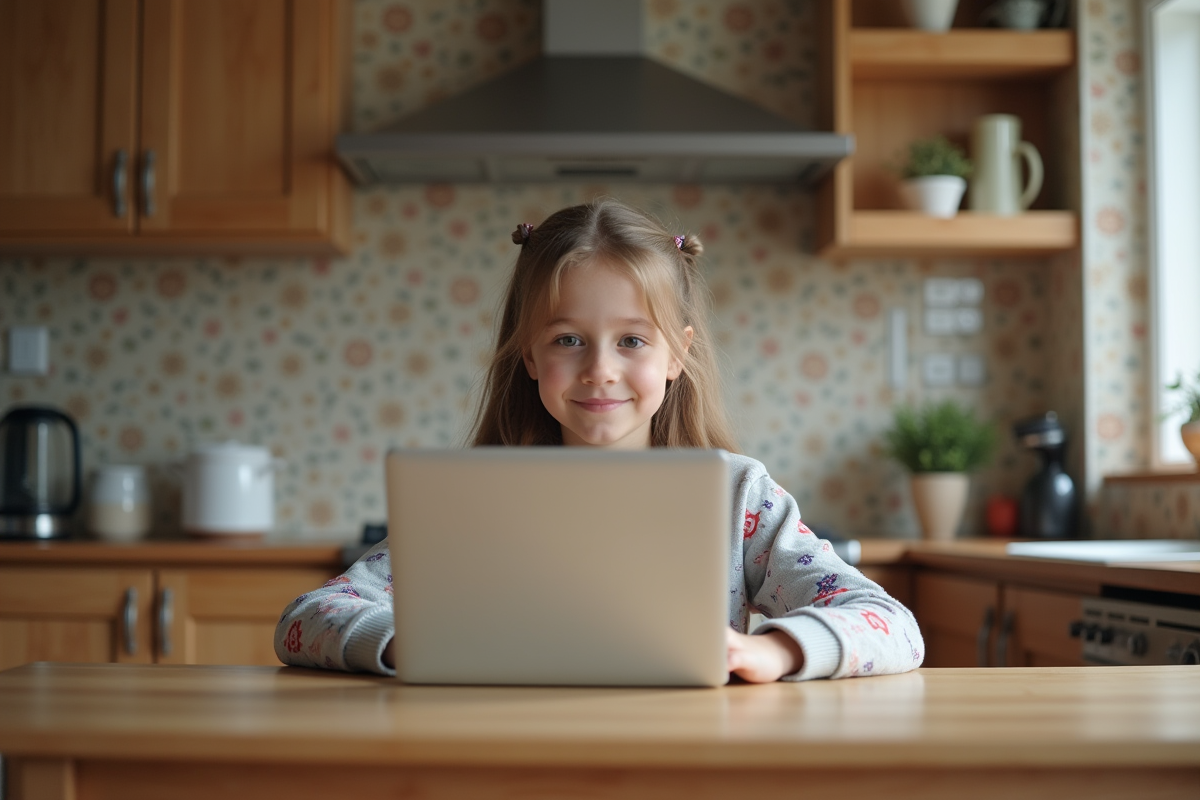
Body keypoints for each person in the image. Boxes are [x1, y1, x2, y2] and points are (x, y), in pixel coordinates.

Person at [275, 198, 924, 682]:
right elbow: (305, 618)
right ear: (528, 355)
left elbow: (893, 627)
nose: (600, 369)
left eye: (632, 340)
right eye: (567, 340)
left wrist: (773, 650)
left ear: (677, 357)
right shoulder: (473, 501)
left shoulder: (736, 498)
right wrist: (396, 641)